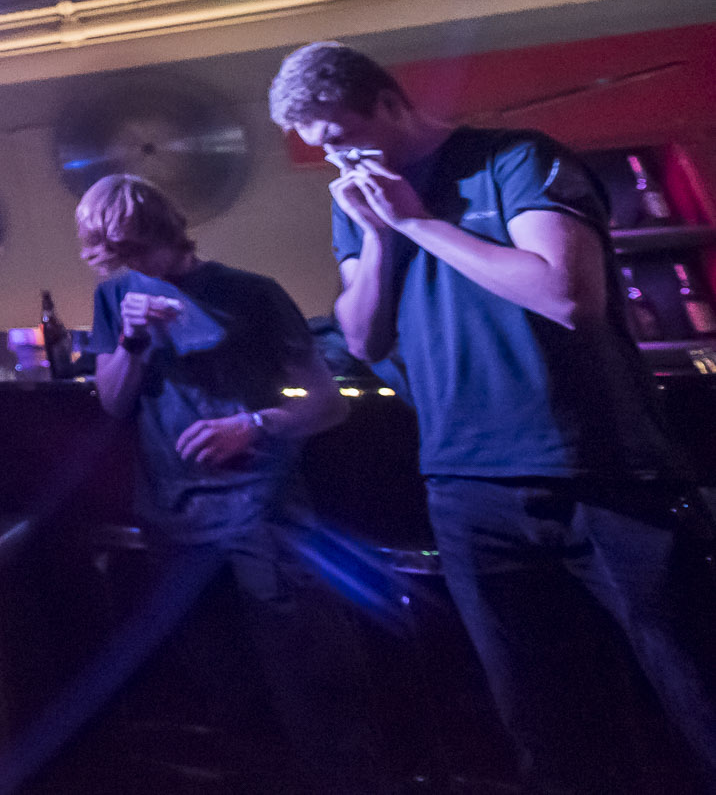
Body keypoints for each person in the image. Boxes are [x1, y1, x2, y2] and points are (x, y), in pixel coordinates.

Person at [270, 39, 716, 793]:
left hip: (598, 468)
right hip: (465, 483)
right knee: (541, 720)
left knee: (693, 686)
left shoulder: (514, 159)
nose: (340, 161)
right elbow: (362, 337)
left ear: (387, 102)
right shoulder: (362, 205)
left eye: (344, 137)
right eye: (324, 151)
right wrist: (378, 236)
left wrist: (418, 224)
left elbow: (566, 296)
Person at [79, 172, 386, 795]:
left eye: (133, 250)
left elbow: (328, 404)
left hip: (264, 520)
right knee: (228, 700)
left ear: (165, 231)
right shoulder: (115, 298)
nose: (126, 266)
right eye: (113, 256)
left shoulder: (251, 293)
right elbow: (113, 403)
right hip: (174, 524)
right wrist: (133, 341)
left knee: (313, 698)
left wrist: (253, 425)